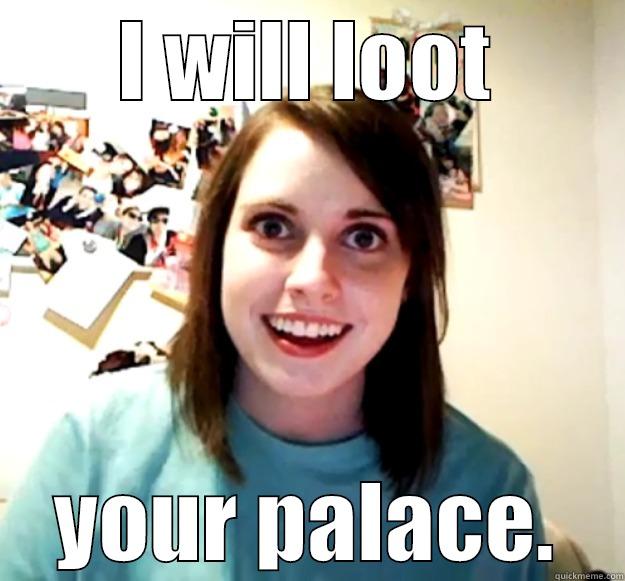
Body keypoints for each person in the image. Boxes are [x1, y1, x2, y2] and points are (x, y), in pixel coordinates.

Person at [0, 87, 547, 580]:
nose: (312, 280)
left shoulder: (490, 492)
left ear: (411, 276)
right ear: (218, 249)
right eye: (273, 227)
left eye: (364, 237)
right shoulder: (96, 446)